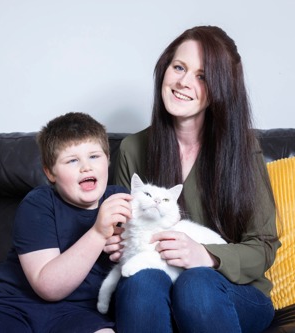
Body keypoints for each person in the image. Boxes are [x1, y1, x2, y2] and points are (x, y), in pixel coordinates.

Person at [111, 26, 281, 332]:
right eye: (179, 67)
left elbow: (263, 246)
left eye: (202, 76)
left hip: (232, 292)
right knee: (141, 282)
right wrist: (113, 243)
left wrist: (207, 256)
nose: (183, 82)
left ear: (220, 89)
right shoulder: (131, 149)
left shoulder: (242, 151)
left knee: (196, 283)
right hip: (157, 286)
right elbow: (119, 234)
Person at [0, 112, 132, 333]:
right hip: (12, 305)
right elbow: (48, 287)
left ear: (108, 160)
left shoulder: (121, 201)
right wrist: (98, 233)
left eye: (94, 156)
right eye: (72, 160)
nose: (86, 167)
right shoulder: (38, 203)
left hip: (77, 313)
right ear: (50, 172)